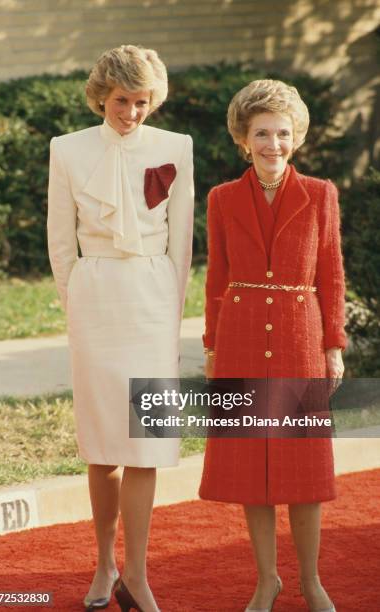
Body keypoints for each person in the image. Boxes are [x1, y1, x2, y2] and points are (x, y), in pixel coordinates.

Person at [47, 45, 194, 611]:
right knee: (103, 443)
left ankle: (138, 573)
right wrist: (77, 300)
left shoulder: (176, 147)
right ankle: (105, 564)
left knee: (147, 441)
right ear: (100, 96)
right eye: (120, 101)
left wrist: (170, 310)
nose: (131, 112)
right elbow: (61, 242)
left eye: (141, 102)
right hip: (95, 299)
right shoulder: (67, 149)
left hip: (153, 301)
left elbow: (181, 241)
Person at [199, 79, 346, 612]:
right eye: (262, 133)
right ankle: (267, 580)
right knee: (251, 470)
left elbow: (331, 272)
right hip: (239, 340)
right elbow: (217, 277)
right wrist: (212, 346)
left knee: (303, 469)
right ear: (244, 138)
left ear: (297, 137)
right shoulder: (221, 199)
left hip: (300, 338)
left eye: (283, 133)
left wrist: (334, 345)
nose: (273, 144)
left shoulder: (321, 194)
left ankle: (311, 582)